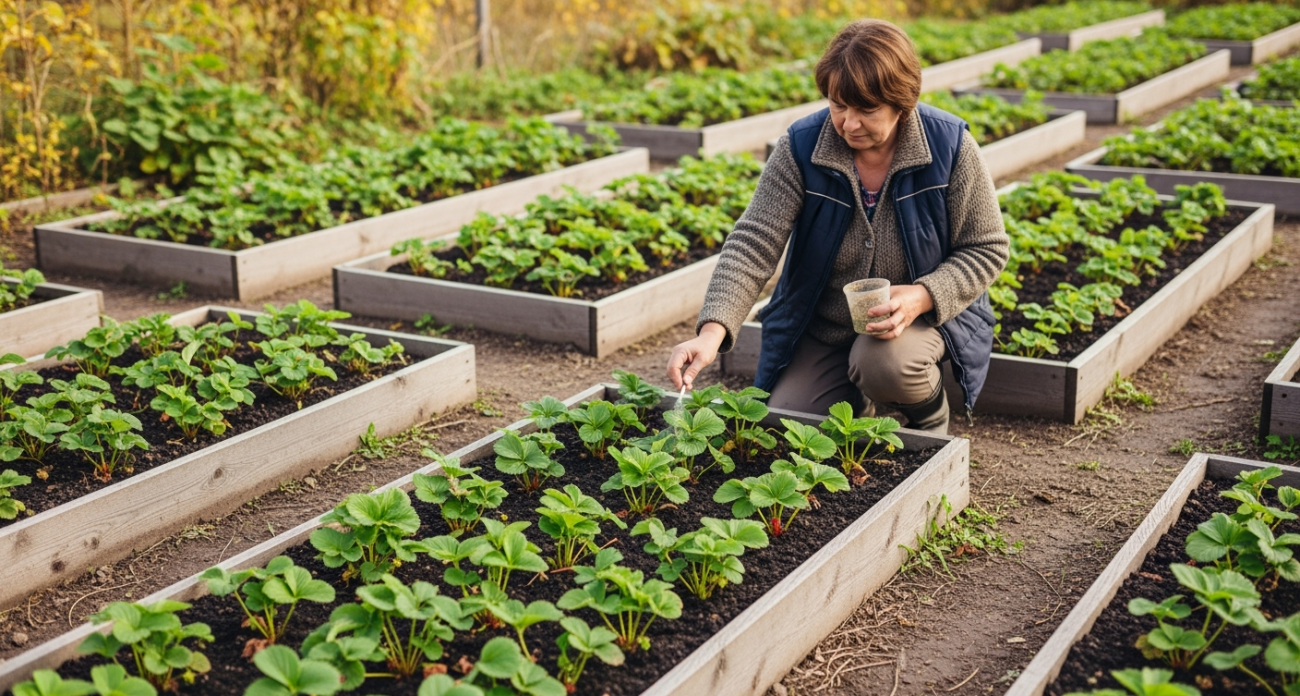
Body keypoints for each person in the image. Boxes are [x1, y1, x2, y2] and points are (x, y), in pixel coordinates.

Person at [665, 18, 1009, 434]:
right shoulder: (804, 146)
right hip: (826, 327)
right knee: (790, 425)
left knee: (885, 364)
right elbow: (753, 243)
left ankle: (929, 416)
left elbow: (987, 247)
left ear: (903, 103)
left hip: (915, 324)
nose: (848, 123)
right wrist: (711, 332)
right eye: (838, 104)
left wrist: (922, 296)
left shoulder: (948, 147)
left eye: (867, 109)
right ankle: (855, 398)